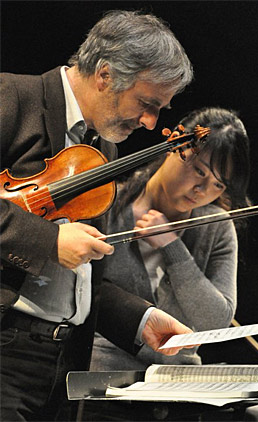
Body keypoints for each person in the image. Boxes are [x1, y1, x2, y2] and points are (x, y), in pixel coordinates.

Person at [0, 10, 195, 421]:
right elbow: (53, 248)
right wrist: (48, 241)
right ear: (105, 75)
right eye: (147, 103)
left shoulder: (103, 150)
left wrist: (139, 318)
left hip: (63, 366)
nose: (150, 122)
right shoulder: (10, 98)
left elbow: (83, 278)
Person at [90, 106, 251, 371]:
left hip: (181, 381)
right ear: (174, 143)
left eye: (218, 185)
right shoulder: (105, 204)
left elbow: (216, 322)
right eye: (199, 171)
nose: (202, 190)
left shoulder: (216, 226)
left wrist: (171, 246)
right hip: (101, 378)